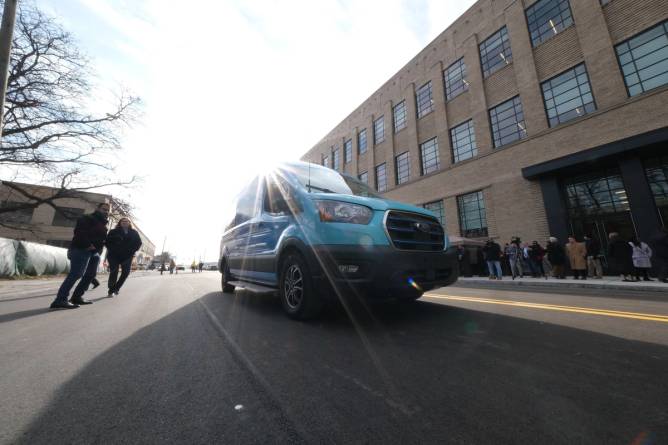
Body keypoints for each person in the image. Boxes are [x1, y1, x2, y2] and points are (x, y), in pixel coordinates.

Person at [50, 202, 110, 309]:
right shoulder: (87, 218)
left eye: (107, 210)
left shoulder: (103, 223)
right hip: (81, 249)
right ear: (97, 208)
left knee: (90, 275)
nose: (106, 211)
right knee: (76, 274)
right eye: (104, 209)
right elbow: (79, 233)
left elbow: (101, 239)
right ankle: (60, 300)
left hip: (94, 253)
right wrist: (88, 245)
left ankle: (77, 297)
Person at [105, 217, 143, 296]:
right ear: (120, 222)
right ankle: (111, 290)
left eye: (126, 221)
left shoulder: (134, 232)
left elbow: (139, 243)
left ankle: (117, 288)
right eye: (123, 221)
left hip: (127, 256)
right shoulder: (113, 231)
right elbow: (107, 242)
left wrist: (132, 250)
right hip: (113, 255)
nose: (125, 222)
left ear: (129, 223)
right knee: (114, 272)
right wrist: (112, 249)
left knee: (126, 272)